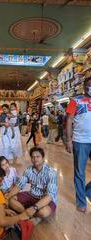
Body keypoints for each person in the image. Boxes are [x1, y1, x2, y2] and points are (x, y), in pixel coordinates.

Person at [6, 147, 57, 220]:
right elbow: (19, 185)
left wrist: (34, 207)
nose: (35, 159)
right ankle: (27, 214)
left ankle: (29, 212)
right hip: (31, 195)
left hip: (45, 198)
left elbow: (50, 196)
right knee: (11, 200)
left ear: (43, 158)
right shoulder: (29, 170)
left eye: (38, 157)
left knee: (43, 212)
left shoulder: (51, 172)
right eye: (33, 157)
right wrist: (7, 197)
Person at [66, 77, 91, 212]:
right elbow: (69, 120)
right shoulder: (75, 100)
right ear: (84, 87)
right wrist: (69, 140)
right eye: (88, 85)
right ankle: (81, 202)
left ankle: (87, 191)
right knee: (80, 172)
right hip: (80, 141)